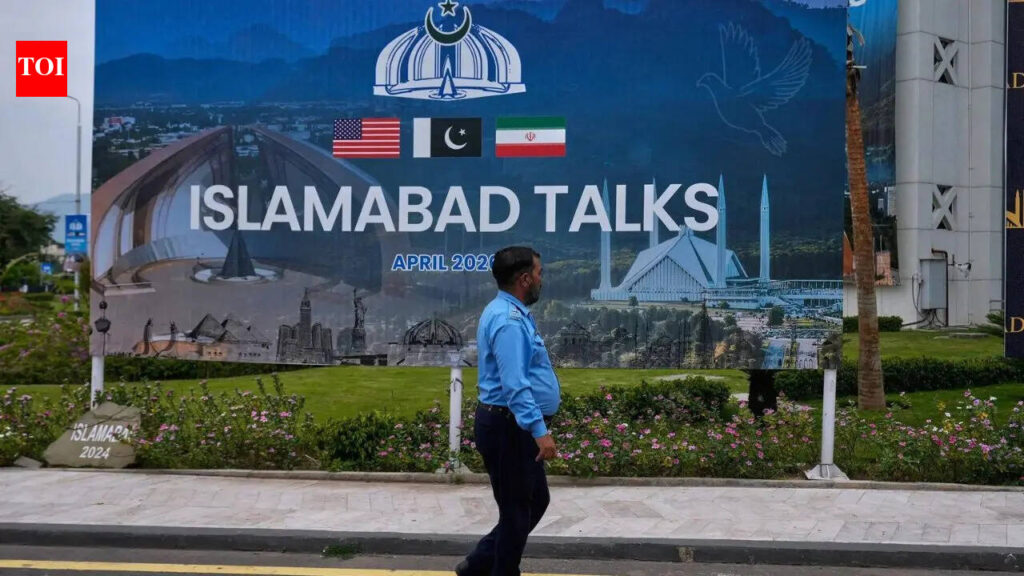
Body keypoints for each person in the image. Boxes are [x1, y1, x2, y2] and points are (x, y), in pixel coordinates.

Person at [457, 246, 560, 576]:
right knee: (517, 512)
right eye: (539, 273)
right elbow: (515, 386)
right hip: (510, 427)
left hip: (511, 426)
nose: (542, 280)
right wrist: (540, 431)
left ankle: (477, 564)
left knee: (534, 501)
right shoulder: (508, 322)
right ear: (525, 279)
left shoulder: (509, 311)